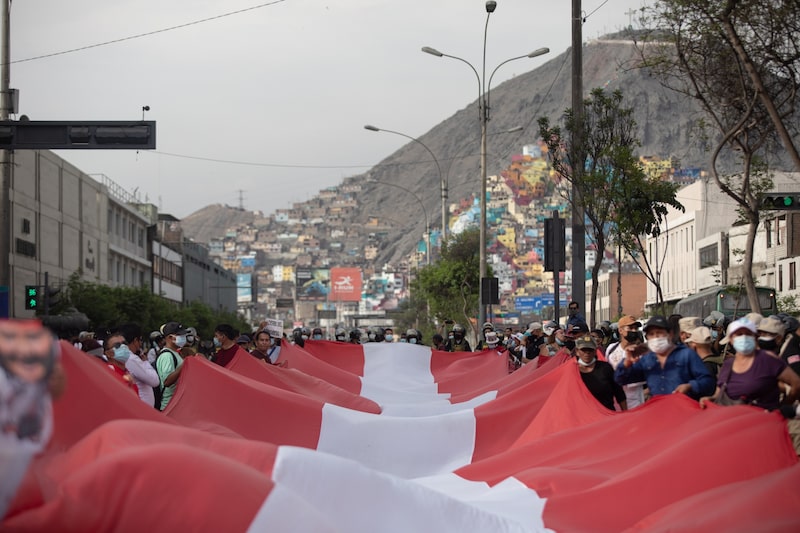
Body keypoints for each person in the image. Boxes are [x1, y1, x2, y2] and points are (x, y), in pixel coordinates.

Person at [700, 319, 800, 411]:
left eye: (748, 334)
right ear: (730, 339)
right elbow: (719, 394)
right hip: (735, 420)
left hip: (764, 420)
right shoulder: (728, 364)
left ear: (755, 337)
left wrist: (782, 408)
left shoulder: (768, 360)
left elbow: (796, 384)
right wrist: (710, 399)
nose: (743, 337)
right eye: (739, 334)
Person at [615, 315, 715, 401]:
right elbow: (620, 380)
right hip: (659, 411)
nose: (656, 337)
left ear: (670, 334)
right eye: (651, 334)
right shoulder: (647, 360)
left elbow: (708, 382)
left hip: (685, 409)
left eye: (659, 333)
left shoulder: (686, 355)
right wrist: (627, 363)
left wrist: (690, 386)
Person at [575, 334, 627, 411]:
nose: (587, 353)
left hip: (607, 414)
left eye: (590, 350)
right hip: (583, 415)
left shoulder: (606, 368)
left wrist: (625, 414)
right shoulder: (572, 371)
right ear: (577, 351)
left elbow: (619, 393)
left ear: (595, 351)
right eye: (583, 350)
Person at [605, 315, 646, 409]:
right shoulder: (611, 349)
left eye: (636, 328)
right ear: (620, 330)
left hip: (635, 400)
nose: (634, 331)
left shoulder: (641, 351)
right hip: (616, 401)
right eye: (630, 328)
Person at [115, 323, 160, 406]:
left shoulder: (123, 357)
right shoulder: (131, 359)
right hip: (142, 406)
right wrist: (146, 362)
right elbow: (154, 381)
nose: (140, 344)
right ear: (135, 340)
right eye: (140, 340)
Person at [155, 322, 189, 411]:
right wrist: (184, 364)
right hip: (169, 406)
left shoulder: (175, 353)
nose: (183, 337)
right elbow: (167, 381)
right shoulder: (167, 356)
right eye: (180, 335)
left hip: (176, 405)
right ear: (170, 337)